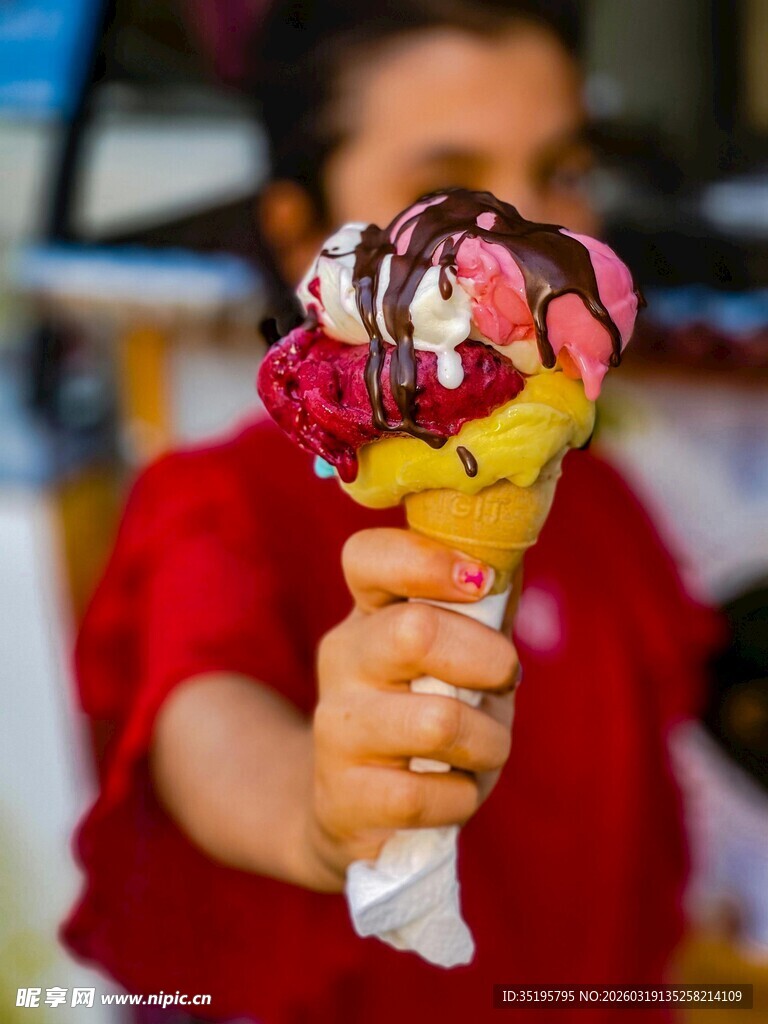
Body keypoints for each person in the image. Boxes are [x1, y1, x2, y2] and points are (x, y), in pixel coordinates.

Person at [63, 2, 721, 1021]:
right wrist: (321, 807)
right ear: (301, 235)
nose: (526, 250)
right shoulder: (216, 502)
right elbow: (204, 718)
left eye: (563, 172)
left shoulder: (603, 502)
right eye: (443, 196)